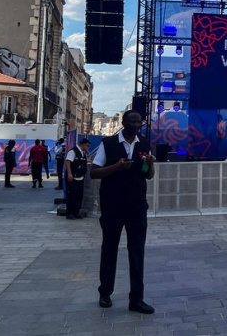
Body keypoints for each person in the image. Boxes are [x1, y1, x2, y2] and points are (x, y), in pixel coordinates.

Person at [91, 110, 155, 314]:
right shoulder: (108, 144)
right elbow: (93, 172)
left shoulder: (144, 144)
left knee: (137, 251)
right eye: (132, 122)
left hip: (136, 205)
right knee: (109, 249)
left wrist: (150, 166)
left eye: (139, 122)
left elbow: (147, 176)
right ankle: (105, 293)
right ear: (124, 123)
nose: (136, 125)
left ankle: (137, 298)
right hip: (112, 206)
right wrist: (116, 167)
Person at [65, 138, 90, 220]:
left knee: (79, 196)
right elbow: (68, 161)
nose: (88, 147)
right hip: (73, 177)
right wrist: (69, 173)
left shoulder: (82, 153)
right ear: (83, 144)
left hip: (80, 177)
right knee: (71, 196)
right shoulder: (73, 151)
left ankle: (76, 212)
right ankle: (69, 213)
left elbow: (86, 161)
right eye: (87, 145)